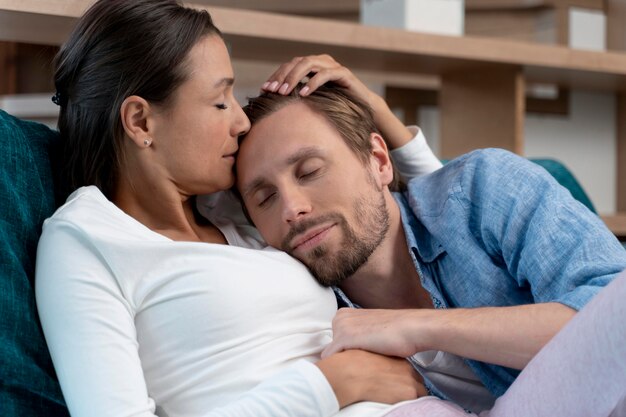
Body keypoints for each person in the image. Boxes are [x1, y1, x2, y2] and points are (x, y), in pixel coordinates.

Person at [35, 1, 461, 417]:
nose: (241, 123)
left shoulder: (238, 208)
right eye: (221, 102)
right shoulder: (87, 241)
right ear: (141, 122)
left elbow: (446, 238)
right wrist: (335, 384)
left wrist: (374, 111)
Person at [234, 80, 626, 415]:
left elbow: (612, 312)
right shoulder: (293, 312)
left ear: (379, 160)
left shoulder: (480, 191)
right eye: (264, 198)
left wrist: (416, 327)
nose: (291, 208)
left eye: (310, 171)